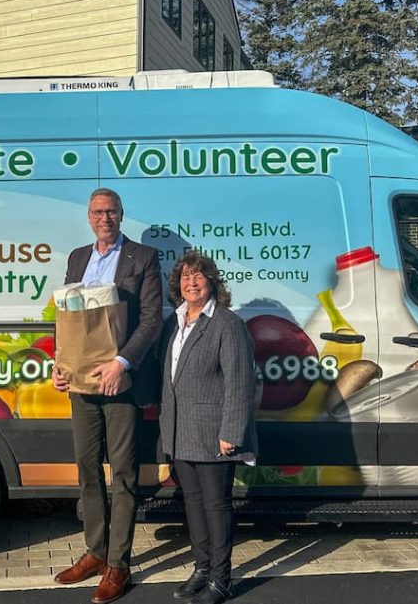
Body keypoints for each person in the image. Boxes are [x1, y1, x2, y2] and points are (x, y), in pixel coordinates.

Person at [52, 188, 163, 604]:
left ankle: (119, 564)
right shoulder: (78, 257)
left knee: (123, 473)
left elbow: (152, 319)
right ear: (89, 216)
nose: (105, 218)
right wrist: (60, 364)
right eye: (98, 212)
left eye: (112, 211)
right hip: (81, 384)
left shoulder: (143, 257)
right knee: (85, 467)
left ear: (121, 214)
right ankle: (95, 552)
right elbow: (68, 317)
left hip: (120, 382)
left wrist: (122, 364)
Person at [158, 251, 258, 604]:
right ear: (178, 284)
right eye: (186, 277)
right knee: (193, 505)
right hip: (180, 430)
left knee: (216, 506)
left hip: (214, 430)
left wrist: (232, 430)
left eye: (199, 276)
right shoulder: (176, 322)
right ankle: (201, 569)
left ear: (212, 282)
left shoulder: (227, 323)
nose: (192, 282)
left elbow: (239, 382)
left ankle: (221, 579)